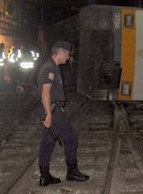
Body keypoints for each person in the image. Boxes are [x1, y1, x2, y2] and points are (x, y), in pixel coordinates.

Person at [37, 41, 89, 187]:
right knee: (71, 138)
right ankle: (72, 172)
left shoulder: (53, 67)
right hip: (53, 111)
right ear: (60, 52)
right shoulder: (50, 69)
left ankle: (45, 176)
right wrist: (48, 115)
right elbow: (45, 92)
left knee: (48, 142)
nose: (68, 56)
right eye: (67, 53)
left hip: (52, 109)